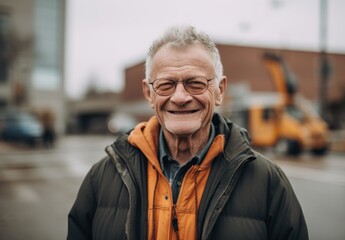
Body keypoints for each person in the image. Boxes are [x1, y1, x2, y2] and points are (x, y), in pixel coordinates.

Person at [67, 25, 308, 240]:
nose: (180, 97)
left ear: (219, 90)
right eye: (166, 84)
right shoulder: (101, 179)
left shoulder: (269, 183)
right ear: (149, 94)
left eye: (195, 83)